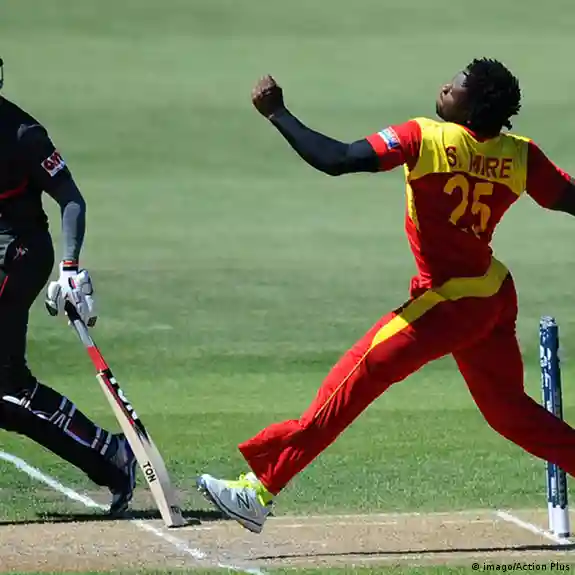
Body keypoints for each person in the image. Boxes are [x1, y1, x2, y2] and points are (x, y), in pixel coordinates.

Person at [197, 57, 575, 534]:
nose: (445, 86)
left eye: (456, 85)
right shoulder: (521, 156)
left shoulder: (423, 138)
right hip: (492, 294)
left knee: (353, 379)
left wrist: (278, 113)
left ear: (474, 106)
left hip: (447, 304)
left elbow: (337, 159)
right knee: (511, 414)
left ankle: (258, 490)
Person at [0, 59, 136, 515]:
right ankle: (110, 454)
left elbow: (70, 198)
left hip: (19, 253)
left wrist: (71, 266)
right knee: (8, 394)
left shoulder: (22, 133)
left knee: (8, 387)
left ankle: (111, 455)